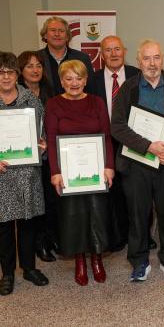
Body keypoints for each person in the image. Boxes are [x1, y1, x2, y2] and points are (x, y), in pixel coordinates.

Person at [111, 39, 164, 282]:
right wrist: (148, 146)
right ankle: (139, 261)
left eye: (156, 58)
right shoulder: (128, 88)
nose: (152, 63)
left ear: (162, 59)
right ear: (138, 61)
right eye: (147, 58)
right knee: (138, 215)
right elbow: (117, 127)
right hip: (136, 164)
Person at [45, 59, 114, 286]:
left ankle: (96, 258)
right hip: (68, 171)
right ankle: (80, 260)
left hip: (95, 168)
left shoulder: (97, 102)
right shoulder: (54, 105)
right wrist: (55, 172)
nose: (74, 83)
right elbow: (52, 141)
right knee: (73, 216)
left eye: (79, 78)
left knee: (96, 213)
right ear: (62, 81)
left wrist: (109, 166)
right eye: (69, 78)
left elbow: (106, 136)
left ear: (86, 80)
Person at [0, 52, 49, 296]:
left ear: (16, 74)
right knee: (4, 226)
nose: (6, 76)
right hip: (1, 173)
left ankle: (29, 268)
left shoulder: (31, 99)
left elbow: (44, 130)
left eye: (10, 71)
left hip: (27, 171)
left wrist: (43, 144)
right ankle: (7, 273)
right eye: (1, 72)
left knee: (28, 223)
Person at [91, 36, 139, 252]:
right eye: (108, 50)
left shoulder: (136, 76)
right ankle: (118, 235)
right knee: (112, 192)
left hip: (134, 141)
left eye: (117, 49)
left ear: (125, 51)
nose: (113, 53)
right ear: (101, 54)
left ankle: (141, 235)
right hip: (105, 143)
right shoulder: (92, 80)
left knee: (137, 191)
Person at [17, 51, 57, 263]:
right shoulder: (16, 94)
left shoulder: (50, 91)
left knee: (50, 199)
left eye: (38, 66)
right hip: (25, 159)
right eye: (29, 66)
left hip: (48, 154)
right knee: (33, 202)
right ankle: (38, 244)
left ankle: (49, 239)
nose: (35, 70)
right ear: (21, 70)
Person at [38, 16, 95, 96]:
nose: (57, 34)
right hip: (44, 107)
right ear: (45, 35)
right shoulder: (36, 58)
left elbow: (90, 88)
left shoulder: (82, 58)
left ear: (67, 36)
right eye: (53, 30)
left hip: (76, 107)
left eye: (61, 31)